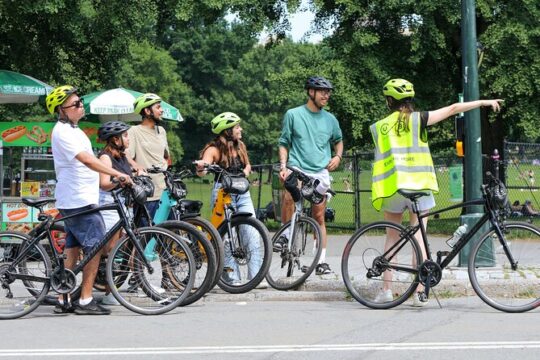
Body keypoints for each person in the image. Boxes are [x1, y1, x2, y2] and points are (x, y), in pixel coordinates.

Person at [370, 78, 502, 306]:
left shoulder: (378, 126)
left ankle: (386, 290)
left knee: (391, 238)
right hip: (419, 186)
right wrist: (482, 102)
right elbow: (452, 109)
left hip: (393, 188)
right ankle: (419, 292)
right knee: (419, 236)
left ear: (389, 101)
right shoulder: (419, 119)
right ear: (410, 100)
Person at [47, 85, 132, 315]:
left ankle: (63, 298)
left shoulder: (75, 130)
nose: (80, 106)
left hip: (81, 198)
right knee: (94, 247)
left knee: (73, 249)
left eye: (80, 101)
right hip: (78, 200)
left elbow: (91, 161)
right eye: (75, 104)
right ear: (62, 110)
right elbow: (86, 160)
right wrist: (116, 173)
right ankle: (85, 300)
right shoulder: (63, 132)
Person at [277, 76, 343, 275]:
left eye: (328, 92)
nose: (327, 95)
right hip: (297, 167)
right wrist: (283, 166)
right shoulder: (293, 114)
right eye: (322, 91)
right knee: (289, 195)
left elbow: (338, 141)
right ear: (310, 92)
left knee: (319, 216)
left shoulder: (331, 119)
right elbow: (284, 142)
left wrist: (338, 156)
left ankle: (320, 262)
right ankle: (285, 235)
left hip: (320, 172)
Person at [195, 112, 266, 287]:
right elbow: (203, 168)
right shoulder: (213, 150)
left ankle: (255, 276)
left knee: (252, 234)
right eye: (236, 127)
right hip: (223, 193)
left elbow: (247, 164)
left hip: (242, 191)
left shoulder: (240, 146)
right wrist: (201, 168)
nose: (240, 129)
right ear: (226, 130)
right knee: (226, 237)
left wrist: (246, 172)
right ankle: (231, 276)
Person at [97, 121, 146, 305]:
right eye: (125, 136)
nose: (128, 138)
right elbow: (103, 183)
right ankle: (109, 292)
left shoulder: (122, 156)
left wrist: (140, 170)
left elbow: (134, 166)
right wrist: (119, 179)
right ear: (115, 139)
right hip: (109, 204)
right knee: (110, 251)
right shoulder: (106, 157)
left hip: (123, 204)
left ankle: (108, 287)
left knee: (117, 248)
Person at [127, 93, 169, 221]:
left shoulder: (161, 131)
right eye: (158, 107)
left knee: (167, 235)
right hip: (147, 193)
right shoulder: (134, 131)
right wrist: (137, 167)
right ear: (147, 110)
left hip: (165, 192)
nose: (161, 110)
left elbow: (166, 156)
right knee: (146, 236)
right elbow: (126, 155)